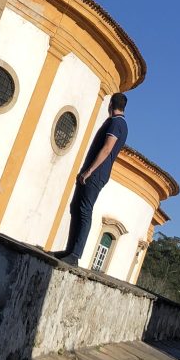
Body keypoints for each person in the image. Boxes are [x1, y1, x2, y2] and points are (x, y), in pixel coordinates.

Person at [51, 92, 128, 267]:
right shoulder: (117, 123)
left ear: (110, 105)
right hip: (93, 172)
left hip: (96, 173)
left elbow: (107, 149)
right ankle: (70, 250)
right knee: (76, 206)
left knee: (85, 210)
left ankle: (75, 254)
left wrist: (89, 171)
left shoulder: (117, 124)